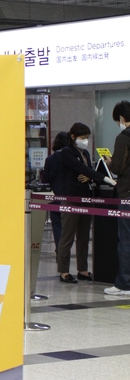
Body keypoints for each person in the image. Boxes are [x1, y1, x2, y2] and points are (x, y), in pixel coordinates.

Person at [55, 122, 115, 284]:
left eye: (87, 137)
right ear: (73, 137)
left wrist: (90, 176)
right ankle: (64, 271)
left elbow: (87, 170)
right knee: (67, 236)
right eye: (82, 137)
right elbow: (79, 167)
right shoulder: (66, 153)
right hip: (71, 198)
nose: (85, 140)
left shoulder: (86, 153)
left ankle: (83, 269)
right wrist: (103, 178)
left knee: (83, 236)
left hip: (86, 198)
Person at [104, 102, 130, 296]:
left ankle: (124, 284)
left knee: (126, 241)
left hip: (127, 194)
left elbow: (118, 167)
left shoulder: (123, 138)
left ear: (121, 119)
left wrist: (110, 163)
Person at [41, 132, 68, 247]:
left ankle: (59, 249)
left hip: (54, 195)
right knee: (68, 225)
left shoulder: (50, 159)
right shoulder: (70, 158)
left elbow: (46, 178)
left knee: (57, 224)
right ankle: (65, 250)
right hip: (69, 195)